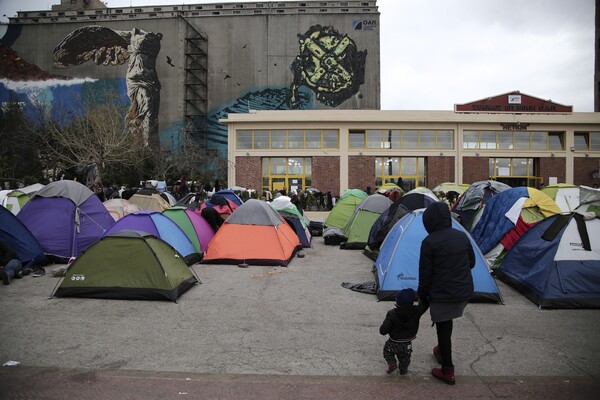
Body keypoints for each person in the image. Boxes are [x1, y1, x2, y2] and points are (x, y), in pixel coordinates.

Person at [417, 202, 475, 385]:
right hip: (464, 293)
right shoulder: (461, 236)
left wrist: (422, 296)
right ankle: (441, 351)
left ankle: (447, 369)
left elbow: (425, 276)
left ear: (430, 221)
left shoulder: (429, 242)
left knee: (444, 327)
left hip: (442, 295)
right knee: (447, 323)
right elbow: (471, 263)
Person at [379, 288, 429, 375]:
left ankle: (392, 363)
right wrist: (422, 298)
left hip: (393, 342)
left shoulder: (392, 313)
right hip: (407, 343)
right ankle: (403, 369)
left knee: (387, 351)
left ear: (397, 301)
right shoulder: (417, 311)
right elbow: (425, 305)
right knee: (405, 358)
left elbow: (383, 331)